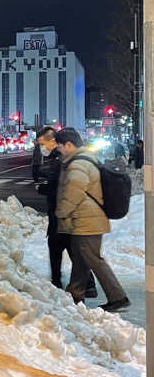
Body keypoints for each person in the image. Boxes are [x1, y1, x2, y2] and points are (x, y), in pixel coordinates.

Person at [55, 127, 130, 311]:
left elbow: (74, 191)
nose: (59, 151)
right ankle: (75, 295)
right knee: (82, 259)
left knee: (94, 259)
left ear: (69, 145)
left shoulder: (78, 164)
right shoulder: (86, 159)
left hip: (87, 220)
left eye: (60, 147)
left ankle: (118, 297)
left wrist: (61, 211)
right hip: (87, 220)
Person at [35, 126, 96, 295]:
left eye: (43, 144)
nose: (42, 148)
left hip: (62, 213)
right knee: (70, 248)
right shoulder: (61, 158)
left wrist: (44, 189)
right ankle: (86, 283)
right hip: (63, 213)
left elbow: (63, 187)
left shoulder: (60, 159)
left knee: (60, 247)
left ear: (53, 141)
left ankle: (61, 283)